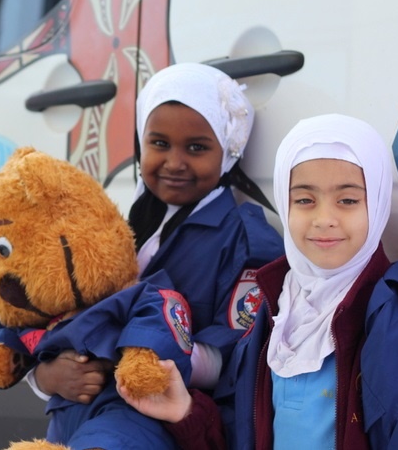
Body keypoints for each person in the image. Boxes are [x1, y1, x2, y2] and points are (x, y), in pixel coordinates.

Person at [118, 113, 398, 449]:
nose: (324, 219)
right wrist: (185, 412)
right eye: (304, 200)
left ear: (377, 203)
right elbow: (243, 434)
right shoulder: (275, 313)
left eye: (348, 200)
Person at [28, 62, 284, 403]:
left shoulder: (245, 242)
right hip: (85, 417)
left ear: (227, 152)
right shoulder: (112, 229)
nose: (175, 162)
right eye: (160, 143)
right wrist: (46, 376)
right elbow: (50, 320)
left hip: (172, 426)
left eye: (196, 148)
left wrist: (133, 351)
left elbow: (238, 359)